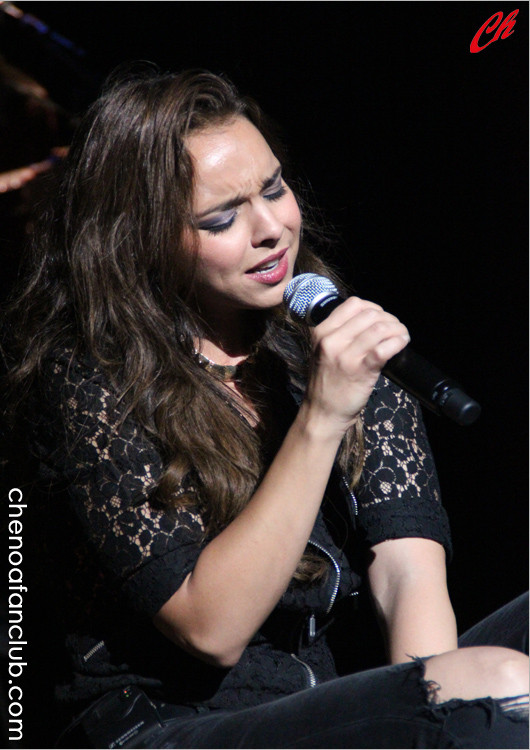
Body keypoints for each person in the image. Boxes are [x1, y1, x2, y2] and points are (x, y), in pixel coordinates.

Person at [2, 66, 528, 749]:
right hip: (163, 727)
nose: (271, 228)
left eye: (273, 189)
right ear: (143, 238)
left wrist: (435, 707)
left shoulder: (327, 342)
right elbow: (209, 628)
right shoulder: (90, 378)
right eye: (222, 218)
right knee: (495, 684)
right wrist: (321, 416)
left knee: (488, 682)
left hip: (312, 702)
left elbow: (408, 577)